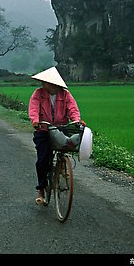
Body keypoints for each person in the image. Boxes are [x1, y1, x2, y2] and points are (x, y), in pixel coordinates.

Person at [28, 66, 85, 206]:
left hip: (61, 128)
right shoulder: (38, 93)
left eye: (45, 82)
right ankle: (41, 189)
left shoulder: (65, 95)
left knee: (66, 145)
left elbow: (73, 109)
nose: (42, 84)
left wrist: (76, 120)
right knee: (42, 159)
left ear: (53, 83)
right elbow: (33, 108)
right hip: (43, 129)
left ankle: (62, 165)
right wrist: (35, 121)